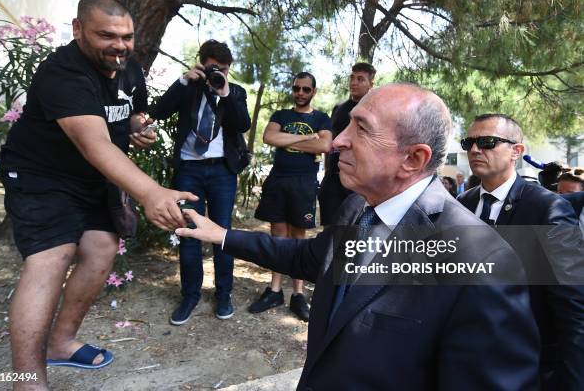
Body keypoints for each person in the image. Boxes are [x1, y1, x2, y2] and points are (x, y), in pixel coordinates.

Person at [176, 84, 540, 390]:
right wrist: (222, 235)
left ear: (413, 159)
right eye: (347, 125)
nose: (338, 142)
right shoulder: (356, 208)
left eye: (361, 129)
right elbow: (306, 259)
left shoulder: (481, 262)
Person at [0, 0, 195, 390]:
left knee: (101, 249)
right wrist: (151, 191)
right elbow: (95, 144)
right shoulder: (62, 74)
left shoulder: (128, 67)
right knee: (53, 256)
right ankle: (27, 381)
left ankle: (61, 343)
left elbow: (132, 111)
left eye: (127, 36)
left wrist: (138, 127)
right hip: (40, 175)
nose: (120, 46)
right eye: (107, 35)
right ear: (77, 29)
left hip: (90, 178)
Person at [457, 113, 584, 390]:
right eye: (469, 143)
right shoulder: (460, 204)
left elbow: (572, 303)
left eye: (488, 142)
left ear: (517, 151)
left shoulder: (548, 208)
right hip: (465, 362)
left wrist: (574, 379)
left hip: (528, 367)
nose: (476, 150)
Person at [150, 40, 251, 325]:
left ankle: (224, 295)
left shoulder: (235, 92)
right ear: (201, 64)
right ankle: (190, 296)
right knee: (188, 232)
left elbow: (242, 124)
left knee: (222, 234)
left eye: (224, 70)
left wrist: (226, 93)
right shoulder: (188, 88)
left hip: (222, 171)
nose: (218, 74)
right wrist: (183, 80)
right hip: (189, 171)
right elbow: (158, 112)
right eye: (213, 69)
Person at [251, 72, 331, 321]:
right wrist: (307, 138)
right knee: (278, 235)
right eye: (297, 88)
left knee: (298, 237)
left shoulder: (321, 118)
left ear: (313, 92)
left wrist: (288, 141)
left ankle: (298, 295)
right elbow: (269, 137)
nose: (300, 93)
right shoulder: (281, 116)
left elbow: (324, 146)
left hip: (304, 183)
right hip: (278, 180)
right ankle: (274, 291)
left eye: (306, 89)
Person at [319, 62, 375, 225]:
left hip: (359, 182)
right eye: (352, 78)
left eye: (360, 79)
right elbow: (329, 142)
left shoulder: (375, 109)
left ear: (371, 84)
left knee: (355, 233)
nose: (354, 82)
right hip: (333, 179)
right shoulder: (338, 108)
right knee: (330, 232)